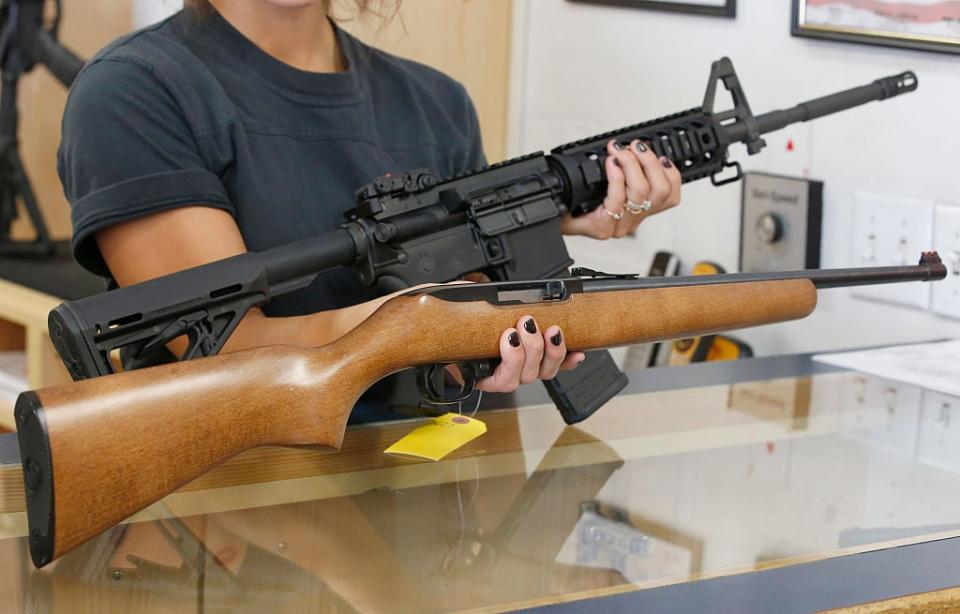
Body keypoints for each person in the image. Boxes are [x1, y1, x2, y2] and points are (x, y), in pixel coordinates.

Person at [58, 0, 682, 404]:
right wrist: (442, 323)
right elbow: (230, 353)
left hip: (444, 503)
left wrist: (571, 225)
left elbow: (465, 307)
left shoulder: (436, 101)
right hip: (241, 519)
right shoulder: (134, 93)